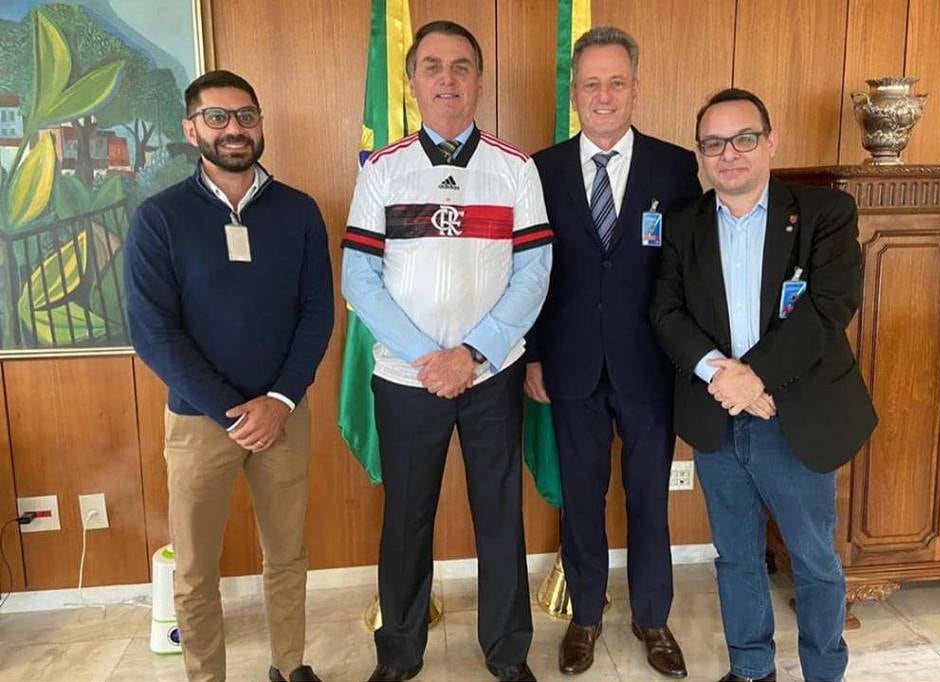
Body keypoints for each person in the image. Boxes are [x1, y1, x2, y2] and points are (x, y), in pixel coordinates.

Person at [341, 20, 553, 682]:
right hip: (406, 380)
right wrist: (427, 359)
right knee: (406, 522)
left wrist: (474, 355)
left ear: (479, 82)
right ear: (412, 83)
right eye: (432, 67)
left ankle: (507, 653)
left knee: (499, 519)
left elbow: (535, 273)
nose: (447, 79)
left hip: (491, 376)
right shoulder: (382, 169)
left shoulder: (516, 170)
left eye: (461, 67)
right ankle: (399, 654)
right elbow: (358, 279)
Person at [649, 88, 877, 682]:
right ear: (700, 155)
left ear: (770, 142)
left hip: (794, 415)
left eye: (744, 138)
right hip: (717, 415)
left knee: (813, 559)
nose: (730, 154)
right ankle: (751, 669)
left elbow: (830, 306)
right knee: (736, 557)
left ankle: (824, 671)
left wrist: (755, 377)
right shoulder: (682, 226)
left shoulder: (825, 213)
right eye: (714, 143)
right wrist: (723, 376)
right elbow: (666, 313)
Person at [124, 70, 333, 682]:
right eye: (217, 118)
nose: (234, 129)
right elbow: (154, 334)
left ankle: (289, 666)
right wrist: (233, 410)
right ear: (191, 130)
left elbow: (317, 312)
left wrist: (279, 400)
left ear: (261, 124)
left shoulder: (298, 212)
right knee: (194, 570)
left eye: (245, 115)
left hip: (284, 418)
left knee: (288, 556)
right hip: (198, 421)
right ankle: (204, 676)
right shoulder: (159, 218)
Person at [526, 25, 701, 679]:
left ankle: (653, 619)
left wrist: (691, 359)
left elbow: (687, 271)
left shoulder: (675, 166)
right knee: (581, 497)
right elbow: (532, 272)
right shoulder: (538, 169)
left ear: (635, 87)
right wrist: (535, 355)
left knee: (649, 498)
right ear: (576, 91)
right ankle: (587, 616)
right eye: (591, 83)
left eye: (616, 82)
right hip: (568, 365)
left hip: (651, 367)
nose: (604, 95)